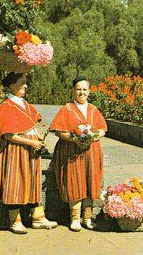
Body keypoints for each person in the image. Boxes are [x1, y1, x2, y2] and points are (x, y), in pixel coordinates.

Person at [0, 72, 58, 234]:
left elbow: (30, 125)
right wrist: (31, 142)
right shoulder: (7, 106)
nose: (26, 86)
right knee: (15, 183)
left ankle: (38, 217)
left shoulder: (24, 104)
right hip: (15, 150)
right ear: (12, 85)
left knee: (32, 181)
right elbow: (8, 135)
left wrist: (38, 136)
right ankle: (15, 221)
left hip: (30, 151)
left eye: (25, 83)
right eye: (22, 83)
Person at [49, 76, 107, 231]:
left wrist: (94, 136)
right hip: (71, 150)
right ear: (73, 90)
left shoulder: (93, 109)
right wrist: (74, 139)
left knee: (90, 181)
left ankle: (87, 218)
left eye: (85, 89)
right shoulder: (66, 108)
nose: (82, 93)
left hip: (91, 151)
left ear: (89, 91)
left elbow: (102, 129)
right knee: (74, 181)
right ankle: (75, 218)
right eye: (78, 89)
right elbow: (59, 131)